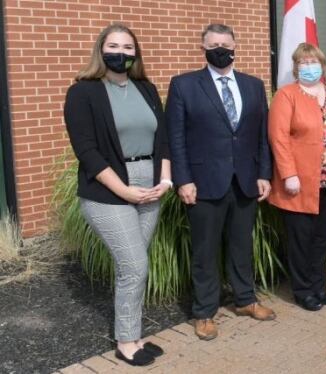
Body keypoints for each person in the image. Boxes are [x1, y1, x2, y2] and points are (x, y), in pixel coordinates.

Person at [64, 24, 169, 366]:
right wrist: (125, 190)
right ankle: (126, 341)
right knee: (134, 265)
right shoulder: (83, 92)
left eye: (127, 47)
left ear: (135, 53)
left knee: (134, 268)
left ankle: (135, 334)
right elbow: (88, 151)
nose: (120, 53)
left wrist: (165, 181)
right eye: (113, 45)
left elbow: (163, 139)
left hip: (150, 184)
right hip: (109, 188)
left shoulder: (147, 89)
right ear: (101, 49)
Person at [166, 24, 276, 341]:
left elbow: (261, 136)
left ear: (235, 45)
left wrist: (263, 173)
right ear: (202, 48)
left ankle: (245, 300)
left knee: (243, 245)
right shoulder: (184, 85)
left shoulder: (254, 86)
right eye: (213, 44)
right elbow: (176, 138)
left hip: (244, 181)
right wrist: (182, 179)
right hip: (202, 184)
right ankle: (204, 312)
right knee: (205, 250)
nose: (220, 48)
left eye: (225, 43)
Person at [268, 43, 326, 312]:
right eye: (303, 63)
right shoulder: (287, 95)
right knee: (301, 240)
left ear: (322, 65)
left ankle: (319, 285)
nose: (309, 67)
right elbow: (278, 137)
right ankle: (303, 290)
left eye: (313, 62)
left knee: (323, 238)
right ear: (295, 67)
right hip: (300, 184)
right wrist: (288, 174)